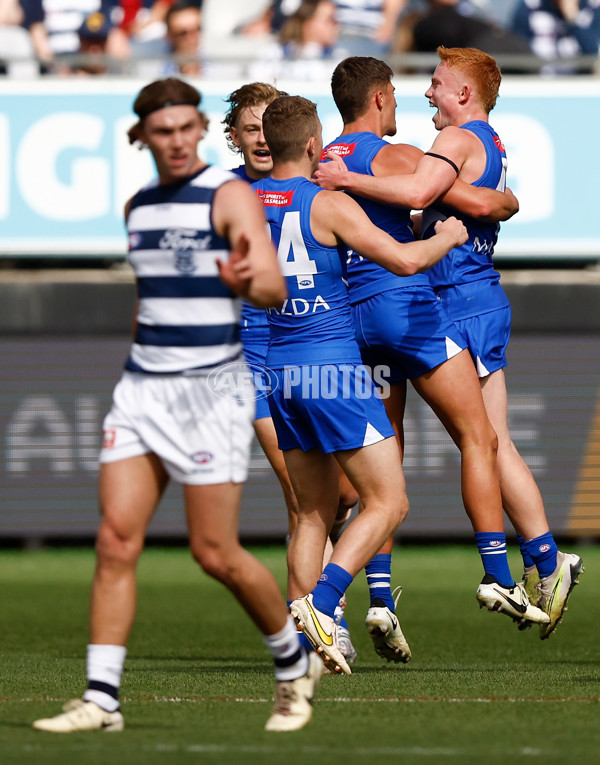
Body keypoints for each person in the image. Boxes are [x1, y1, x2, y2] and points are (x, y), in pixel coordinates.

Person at [32, 77, 322, 735]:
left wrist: (253, 279)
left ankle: (291, 657)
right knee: (115, 539)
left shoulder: (228, 196)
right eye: (163, 132)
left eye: (187, 128)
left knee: (214, 551)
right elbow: (151, 300)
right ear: (143, 138)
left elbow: (274, 284)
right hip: (141, 391)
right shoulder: (137, 207)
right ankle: (101, 698)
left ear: (198, 129)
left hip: (207, 391)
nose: (177, 141)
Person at [314, 46, 583, 639]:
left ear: (463, 93)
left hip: (456, 301)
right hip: (441, 301)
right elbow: (470, 201)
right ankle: (534, 562)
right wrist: (500, 202)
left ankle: (537, 561)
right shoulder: (467, 142)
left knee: (474, 443)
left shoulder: (457, 141)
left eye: (436, 84)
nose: (427, 94)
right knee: (476, 442)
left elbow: (433, 195)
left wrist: (343, 180)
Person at [255, 93, 470, 674]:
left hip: (279, 368)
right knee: (389, 501)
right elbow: (403, 262)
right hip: (331, 366)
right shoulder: (324, 204)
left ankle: (307, 647)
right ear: (310, 145)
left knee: (310, 515)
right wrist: (447, 238)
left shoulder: (240, 204)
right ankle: (323, 607)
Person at [222, 81, 360, 663]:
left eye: (266, 127)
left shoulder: (316, 184)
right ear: (234, 136)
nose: (259, 138)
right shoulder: (225, 194)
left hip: (313, 352)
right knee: (304, 499)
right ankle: (318, 627)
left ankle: (309, 621)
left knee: (341, 495)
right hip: (252, 359)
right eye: (249, 129)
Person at [248, 0, 344, 82]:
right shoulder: (274, 54)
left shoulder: (339, 59)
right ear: (307, 22)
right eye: (330, 19)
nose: (336, 25)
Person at [510, 0, 600, 75]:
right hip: (538, 83)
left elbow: (593, 53)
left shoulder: (593, 7)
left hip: (580, 84)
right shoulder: (529, 7)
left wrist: (574, 18)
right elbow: (518, 54)